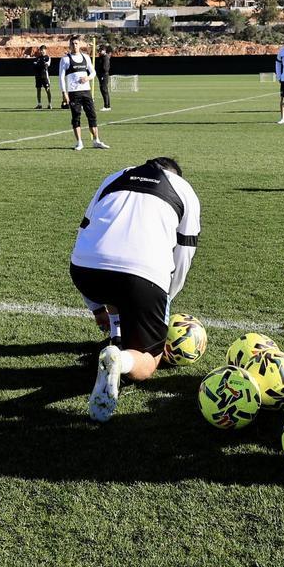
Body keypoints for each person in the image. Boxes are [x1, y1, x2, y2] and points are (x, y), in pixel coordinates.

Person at [71, 157, 201, 421]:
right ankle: (122, 360)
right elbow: (184, 254)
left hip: (84, 269)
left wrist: (95, 308)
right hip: (142, 277)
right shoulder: (184, 189)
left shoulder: (115, 175)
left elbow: (84, 232)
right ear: (177, 175)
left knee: (113, 281)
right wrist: (165, 299)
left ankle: (116, 335)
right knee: (148, 361)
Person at [59, 35, 108, 150]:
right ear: (69, 45)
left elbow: (93, 72)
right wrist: (64, 92)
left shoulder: (85, 57)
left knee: (92, 116)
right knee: (76, 117)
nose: (74, 46)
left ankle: (96, 140)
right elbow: (61, 77)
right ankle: (79, 142)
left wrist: (88, 78)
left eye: (76, 43)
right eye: (72, 44)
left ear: (79, 44)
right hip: (74, 93)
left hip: (86, 91)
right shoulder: (65, 59)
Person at [33, 45, 53, 109]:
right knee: (38, 90)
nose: (42, 51)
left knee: (47, 90)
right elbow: (34, 65)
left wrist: (39, 64)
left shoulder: (47, 57)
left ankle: (49, 104)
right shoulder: (38, 58)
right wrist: (39, 64)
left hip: (45, 76)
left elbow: (46, 65)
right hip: (38, 76)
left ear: (45, 50)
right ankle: (39, 104)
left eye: (43, 50)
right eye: (41, 50)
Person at [96, 44, 112, 111]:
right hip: (102, 75)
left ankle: (106, 106)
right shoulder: (102, 57)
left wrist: (101, 74)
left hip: (104, 75)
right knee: (104, 90)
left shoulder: (105, 57)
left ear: (104, 50)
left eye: (101, 50)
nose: (99, 51)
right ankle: (107, 106)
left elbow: (105, 68)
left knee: (104, 90)